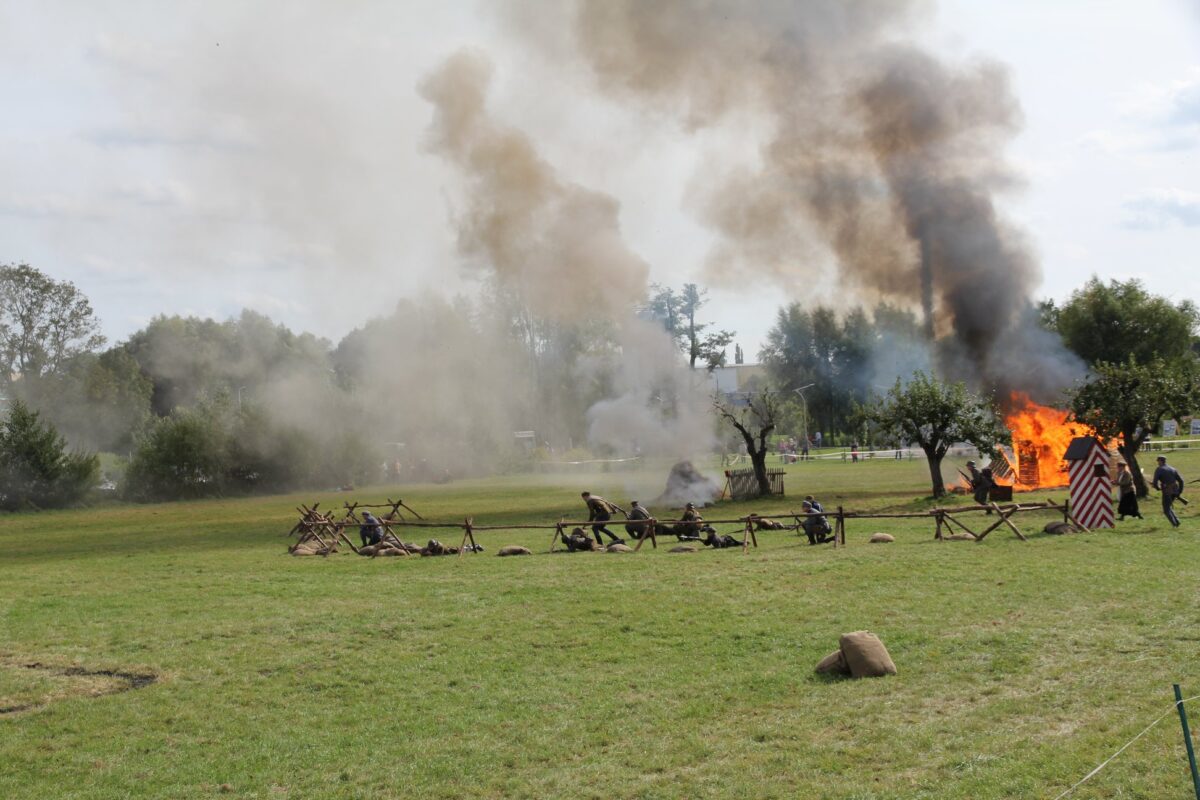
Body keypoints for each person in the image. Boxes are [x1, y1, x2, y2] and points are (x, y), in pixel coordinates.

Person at [1151, 456, 1185, 528]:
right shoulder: (1173, 469)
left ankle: (1175, 525)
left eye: (1158, 461)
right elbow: (1181, 481)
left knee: (1166, 509)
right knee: (1168, 507)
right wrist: (1179, 492)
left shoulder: (1159, 469)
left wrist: (1157, 488)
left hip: (1167, 491)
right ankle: (1177, 522)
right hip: (1175, 490)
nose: (1158, 463)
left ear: (1160, 461)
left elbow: (1155, 483)